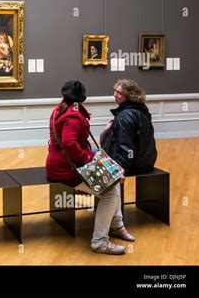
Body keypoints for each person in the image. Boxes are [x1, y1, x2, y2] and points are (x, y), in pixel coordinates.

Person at [46, 80, 134, 255]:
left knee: (114, 181)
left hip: (60, 163)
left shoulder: (61, 108)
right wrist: (89, 157)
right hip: (66, 169)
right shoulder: (72, 116)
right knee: (111, 193)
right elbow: (69, 144)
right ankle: (100, 241)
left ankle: (117, 225)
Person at [101, 79, 157, 176]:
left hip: (133, 166)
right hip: (145, 163)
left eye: (118, 93)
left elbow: (126, 147)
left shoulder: (125, 116)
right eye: (115, 92)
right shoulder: (141, 111)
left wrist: (119, 171)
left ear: (128, 95)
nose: (115, 95)